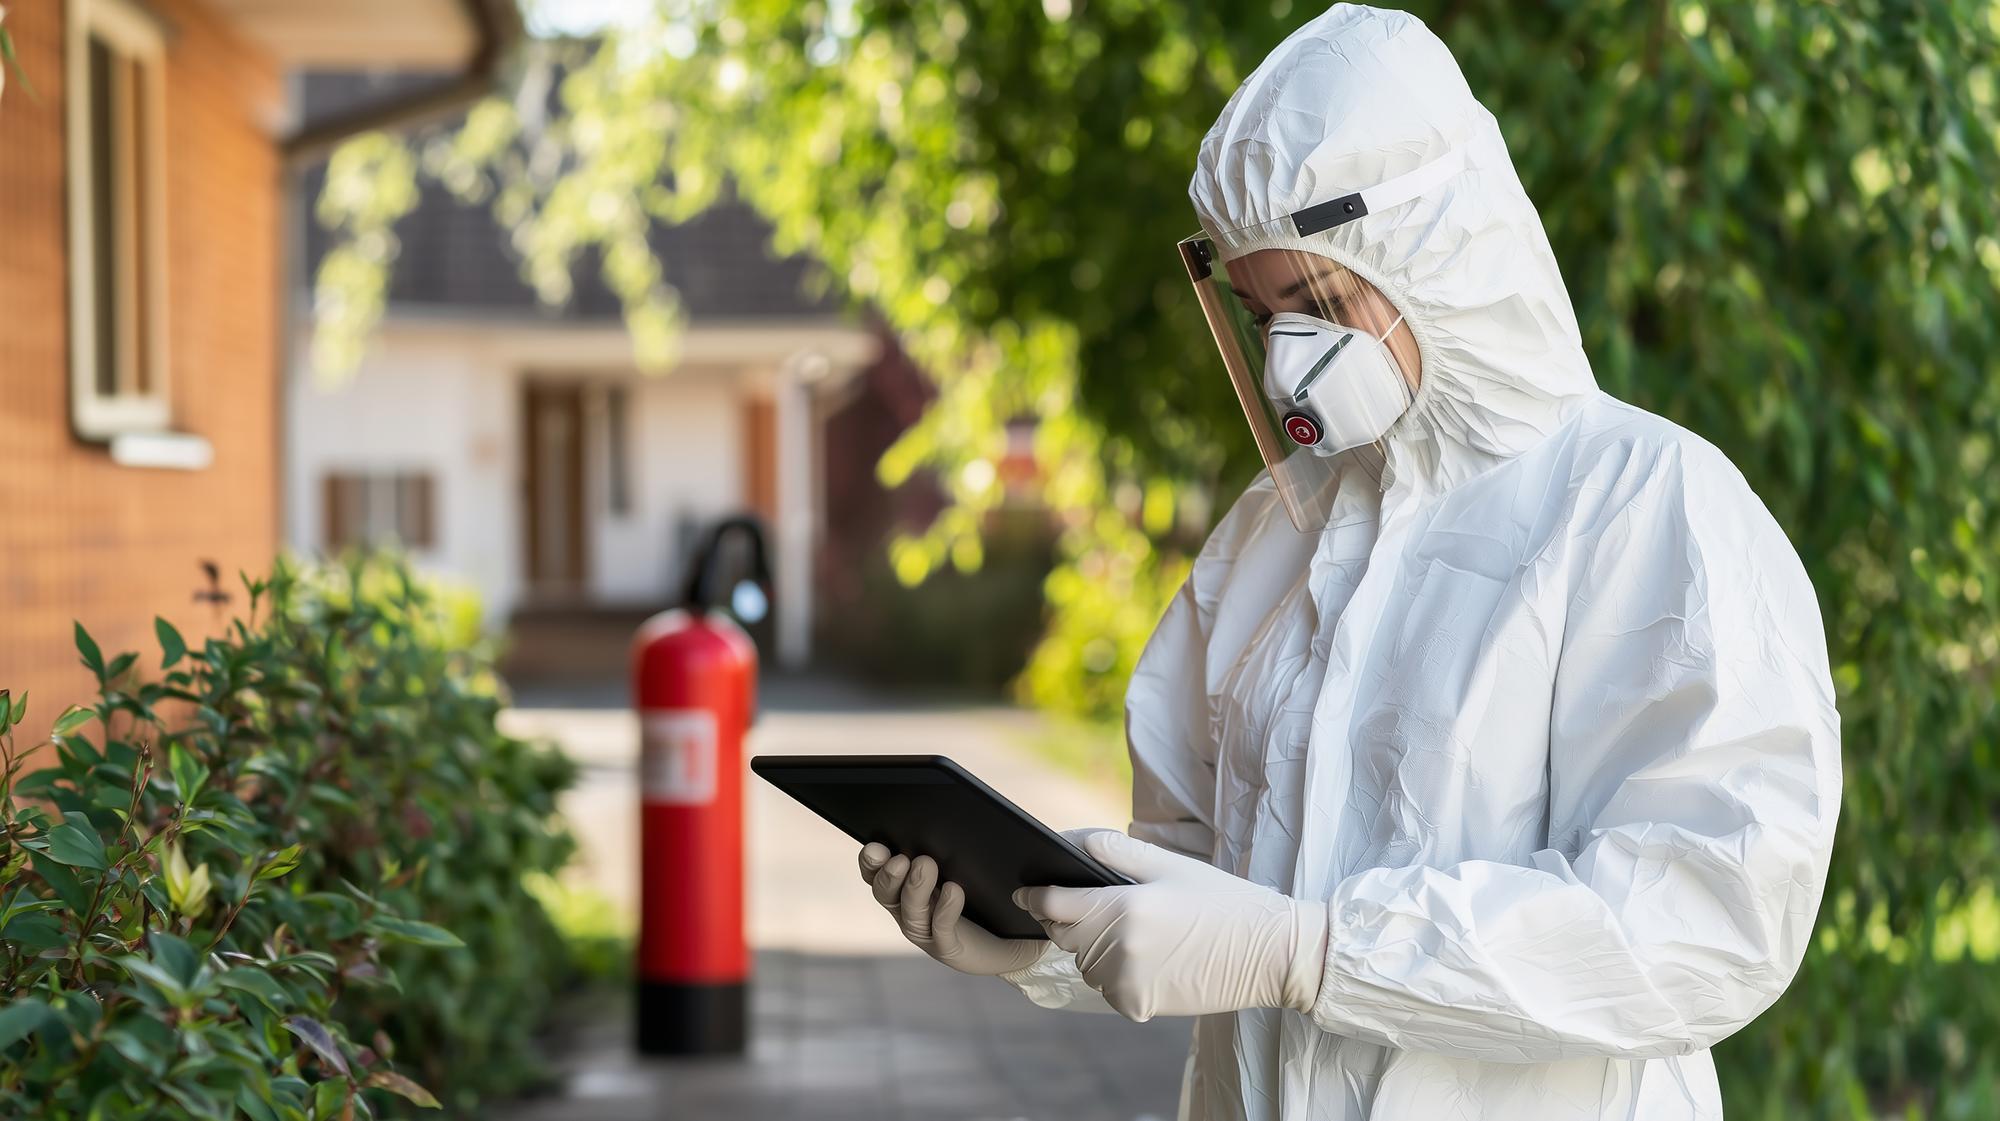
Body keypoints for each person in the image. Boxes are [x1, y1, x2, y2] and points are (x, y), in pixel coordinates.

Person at [857, 4, 1841, 1118]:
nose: (1289, 358)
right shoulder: (1269, 536)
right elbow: (1185, 877)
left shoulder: (1644, 505)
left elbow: (1705, 919)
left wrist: (1315, 953)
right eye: (1263, 309)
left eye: (1318, 301)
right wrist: (1026, 932)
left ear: (1436, 251)